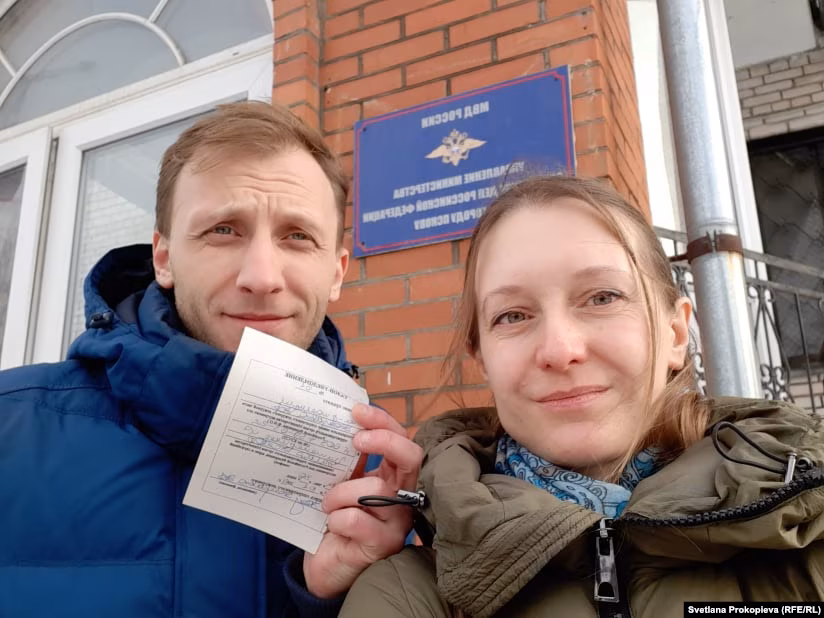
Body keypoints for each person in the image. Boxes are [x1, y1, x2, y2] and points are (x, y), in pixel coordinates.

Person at [0, 101, 422, 618]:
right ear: (164, 258)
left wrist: (323, 599)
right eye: (223, 230)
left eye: (298, 236)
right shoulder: (9, 426)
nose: (261, 277)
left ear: (335, 272)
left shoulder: (378, 478)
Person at [340, 175, 824, 618]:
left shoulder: (806, 529)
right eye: (512, 315)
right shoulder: (410, 595)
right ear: (483, 359)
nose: (559, 350)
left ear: (676, 334)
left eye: (602, 297)